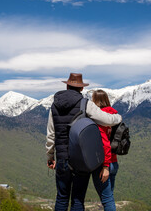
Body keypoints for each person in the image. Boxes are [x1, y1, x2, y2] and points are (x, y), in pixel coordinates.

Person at [46, 73, 122, 211]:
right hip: (80, 160)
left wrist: (51, 157)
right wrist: (118, 117)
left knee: (62, 198)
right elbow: (107, 120)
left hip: (62, 160)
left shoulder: (54, 106)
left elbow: (51, 135)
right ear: (81, 89)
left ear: (67, 86)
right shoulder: (85, 104)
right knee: (77, 199)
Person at [91, 89, 119, 211]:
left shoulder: (100, 118)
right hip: (114, 162)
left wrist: (105, 166)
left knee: (107, 200)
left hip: (103, 164)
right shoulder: (113, 115)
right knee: (109, 198)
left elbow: (105, 144)